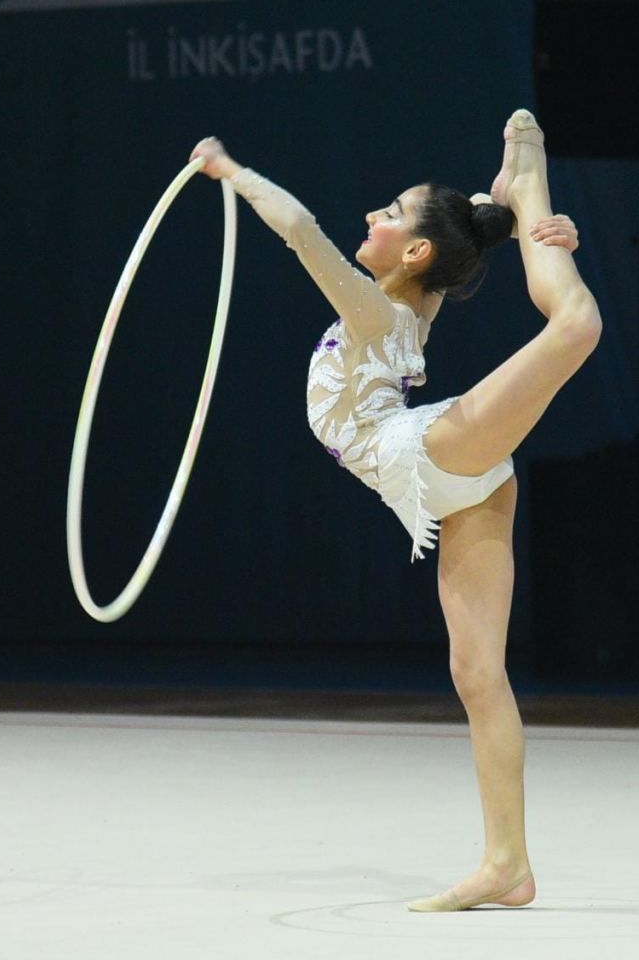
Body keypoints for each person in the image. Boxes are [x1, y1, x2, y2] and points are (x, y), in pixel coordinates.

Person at [190, 110, 601, 912]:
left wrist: (229, 171)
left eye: (388, 213)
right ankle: (507, 864)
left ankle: (530, 183)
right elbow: (459, 240)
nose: (370, 216)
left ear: (414, 253)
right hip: (455, 485)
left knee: (576, 325)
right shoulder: (408, 305)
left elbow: (300, 230)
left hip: (428, 454)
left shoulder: (374, 312)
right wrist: (515, 227)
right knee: (476, 674)